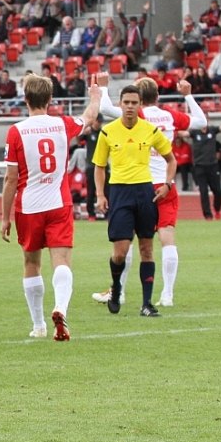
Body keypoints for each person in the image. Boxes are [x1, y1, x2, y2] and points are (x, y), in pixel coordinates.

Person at [0, 74, 102, 340]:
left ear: (25, 99)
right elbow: (89, 117)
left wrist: (4, 217)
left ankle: (38, 325)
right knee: (62, 261)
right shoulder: (61, 124)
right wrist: (97, 94)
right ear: (50, 99)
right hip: (58, 203)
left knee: (31, 262)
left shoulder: (16, 131)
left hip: (29, 205)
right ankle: (61, 308)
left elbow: (11, 178)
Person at [94, 74, 207, 308]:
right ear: (157, 96)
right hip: (165, 184)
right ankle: (167, 294)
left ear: (137, 99)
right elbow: (201, 121)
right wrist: (187, 95)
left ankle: (120, 292)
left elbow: (105, 108)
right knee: (166, 239)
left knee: (129, 242)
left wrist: (104, 88)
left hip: (140, 184)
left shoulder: (139, 117)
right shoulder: (170, 116)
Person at [92, 84, 176, 317]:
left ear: (140, 105)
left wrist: (167, 184)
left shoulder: (150, 130)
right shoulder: (108, 132)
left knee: (147, 249)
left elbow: (171, 160)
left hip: (144, 191)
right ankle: (117, 287)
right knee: (120, 252)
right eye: (126, 102)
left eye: (134, 103)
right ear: (120, 104)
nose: (130, 107)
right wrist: (100, 194)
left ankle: (147, 303)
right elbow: (99, 166)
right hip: (120, 192)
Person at [186, 115, 221, 220]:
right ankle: (208, 215)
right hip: (199, 166)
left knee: (217, 190)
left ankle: (217, 209)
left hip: (212, 165)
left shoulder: (212, 130)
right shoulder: (194, 132)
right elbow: (183, 133)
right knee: (203, 191)